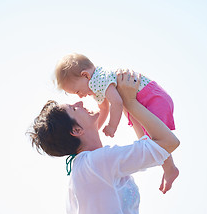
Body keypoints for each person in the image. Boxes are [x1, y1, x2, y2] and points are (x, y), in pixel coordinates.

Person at [28, 70, 180, 214]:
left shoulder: (89, 166)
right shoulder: (93, 164)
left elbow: (150, 144)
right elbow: (168, 143)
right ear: (76, 130)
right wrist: (129, 101)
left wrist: (127, 104)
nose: (78, 102)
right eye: (73, 108)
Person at [54, 53, 178, 193]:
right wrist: (95, 128)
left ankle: (170, 169)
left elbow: (117, 103)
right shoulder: (96, 85)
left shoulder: (98, 80)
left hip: (152, 98)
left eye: (77, 91)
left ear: (85, 76)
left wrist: (112, 126)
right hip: (146, 100)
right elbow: (104, 108)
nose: (80, 97)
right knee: (147, 140)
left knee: (155, 140)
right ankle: (169, 168)